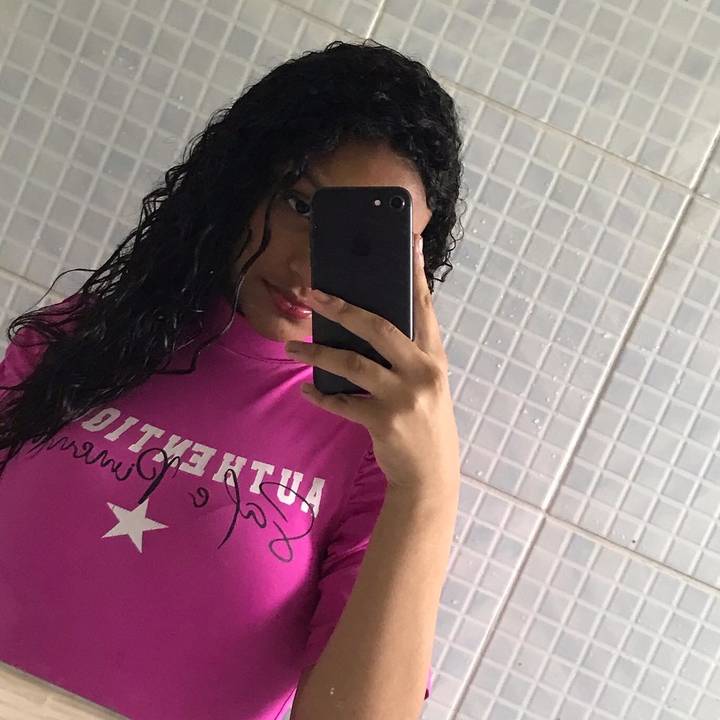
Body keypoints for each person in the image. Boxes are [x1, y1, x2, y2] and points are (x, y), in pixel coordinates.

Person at [0, 39, 464, 720]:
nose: (310, 268)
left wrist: (430, 488)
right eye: (301, 205)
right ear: (240, 182)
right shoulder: (82, 336)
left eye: (362, 240)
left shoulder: (377, 447)